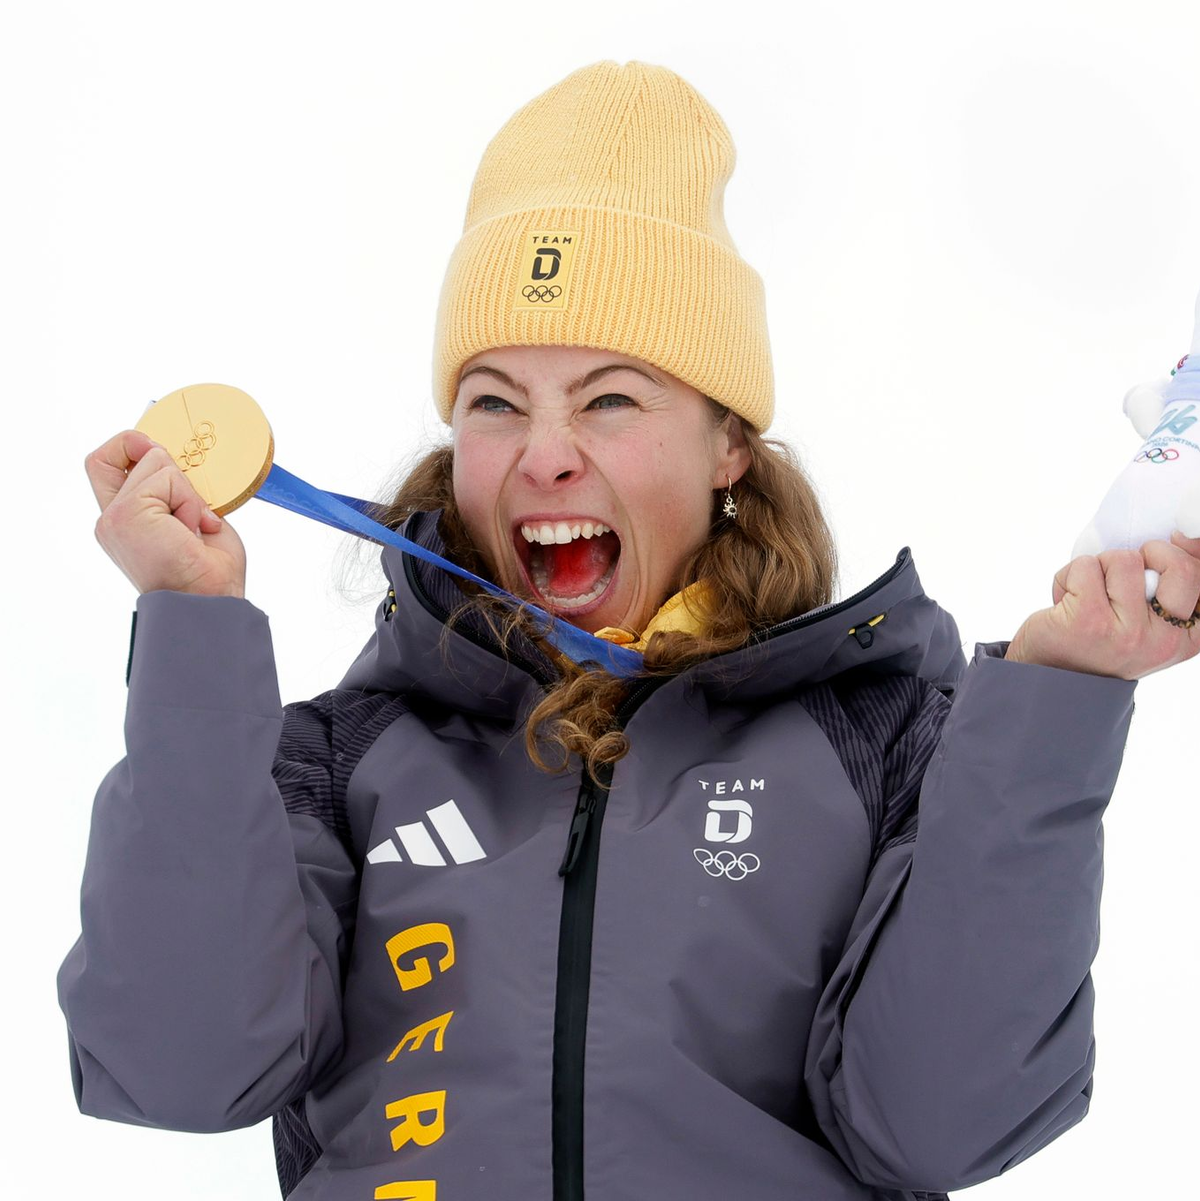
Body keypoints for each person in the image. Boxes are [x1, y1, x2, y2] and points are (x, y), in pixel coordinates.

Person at [57, 59, 1200, 1201]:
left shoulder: (885, 742)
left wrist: (1057, 702)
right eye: (495, 402)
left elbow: (943, 1125)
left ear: (727, 447)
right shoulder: (342, 758)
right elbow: (181, 1068)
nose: (545, 453)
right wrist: (191, 626)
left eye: (610, 398)